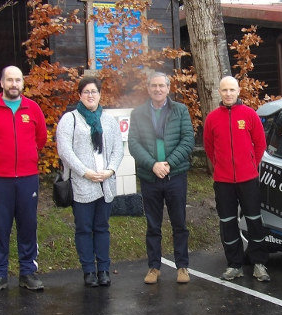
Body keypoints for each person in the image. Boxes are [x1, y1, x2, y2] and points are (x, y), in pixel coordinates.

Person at [0, 66, 47, 293]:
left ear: (23, 83)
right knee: (0, 227)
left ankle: (27, 272)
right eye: (10, 80)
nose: (14, 84)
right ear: (1, 83)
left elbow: (41, 138)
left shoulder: (32, 109)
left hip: (27, 178)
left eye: (18, 80)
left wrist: (29, 154)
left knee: (28, 225)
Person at [55, 76, 124, 287]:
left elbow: (117, 149)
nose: (90, 95)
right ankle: (88, 271)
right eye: (86, 92)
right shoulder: (70, 119)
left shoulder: (108, 121)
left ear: (100, 94)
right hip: (82, 183)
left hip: (105, 183)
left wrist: (110, 169)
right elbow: (65, 151)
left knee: (102, 228)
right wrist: (85, 172)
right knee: (84, 228)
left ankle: (103, 269)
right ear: (79, 95)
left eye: (94, 91)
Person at [128, 72, 195, 284]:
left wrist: (169, 163)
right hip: (150, 176)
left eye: (162, 86)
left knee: (179, 223)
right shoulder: (138, 113)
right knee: (153, 224)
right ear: (148, 89)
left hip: (174, 175)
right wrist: (153, 164)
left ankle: (182, 266)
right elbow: (133, 143)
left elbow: (187, 140)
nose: (158, 89)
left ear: (168, 88)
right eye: (154, 86)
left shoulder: (180, 110)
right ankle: (153, 267)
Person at [203, 76, 270, 282]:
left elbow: (260, 144)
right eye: (224, 90)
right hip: (223, 181)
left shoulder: (249, 115)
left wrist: (250, 165)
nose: (228, 94)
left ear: (239, 90)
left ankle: (259, 263)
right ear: (219, 92)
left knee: (254, 220)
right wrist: (221, 166)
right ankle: (234, 264)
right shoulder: (212, 118)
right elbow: (209, 147)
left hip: (248, 179)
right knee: (228, 222)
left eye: (232, 89)